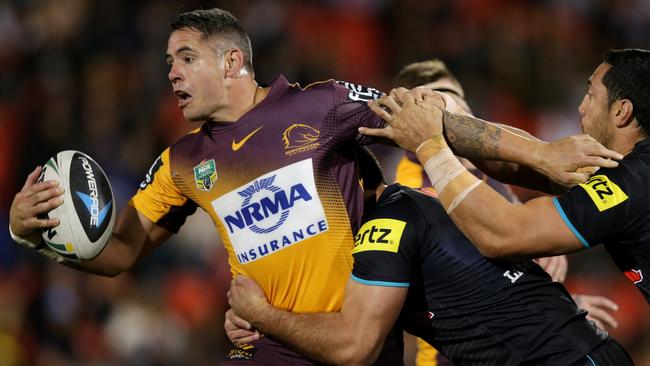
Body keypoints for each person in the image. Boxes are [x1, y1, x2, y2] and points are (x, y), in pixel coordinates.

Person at [7, 7, 624, 364]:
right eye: (167, 61)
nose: (170, 72)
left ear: (231, 62)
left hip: (359, 346)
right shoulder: (179, 162)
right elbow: (119, 251)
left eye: (185, 57)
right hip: (269, 350)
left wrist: (544, 153)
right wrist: (38, 235)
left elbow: (440, 126)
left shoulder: (322, 105)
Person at [227, 183, 634, 365]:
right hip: (581, 351)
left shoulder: (383, 228)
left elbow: (354, 347)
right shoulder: (424, 199)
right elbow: (482, 282)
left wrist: (263, 315)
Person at [361, 48, 650, 305]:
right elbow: (519, 167)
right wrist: (450, 114)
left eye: (590, 95)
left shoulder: (633, 182)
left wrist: (430, 143)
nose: (581, 107)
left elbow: (505, 234)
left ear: (622, 111)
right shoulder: (630, 168)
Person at [391, 59, 620, 366]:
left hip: (516, 346)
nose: (450, 115)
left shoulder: (479, 171)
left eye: (457, 106)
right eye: (434, 105)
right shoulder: (409, 197)